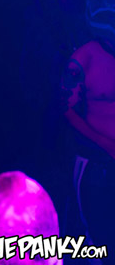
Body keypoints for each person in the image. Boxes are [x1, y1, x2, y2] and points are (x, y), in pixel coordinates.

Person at [61, 33, 115, 250]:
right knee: (99, 238)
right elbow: (66, 109)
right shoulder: (84, 58)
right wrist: (106, 144)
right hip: (97, 164)